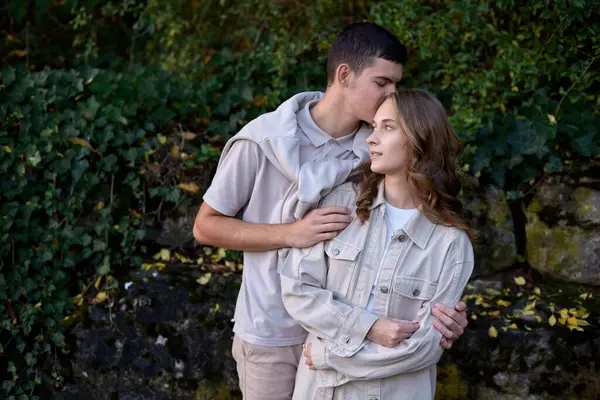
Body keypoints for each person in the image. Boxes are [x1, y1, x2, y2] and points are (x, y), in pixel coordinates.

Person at [193, 23, 469, 400]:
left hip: (344, 333)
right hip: (271, 330)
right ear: (344, 75)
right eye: (382, 83)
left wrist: (443, 316)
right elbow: (205, 227)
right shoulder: (263, 140)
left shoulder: (374, 152)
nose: (392, 94)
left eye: (396, 86)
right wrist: (290, 233)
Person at [280, 88, 475, 400]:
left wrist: (332, 356)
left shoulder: (451, 243)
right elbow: (298, 290)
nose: (371, 138)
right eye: (373, 127)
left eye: (388, 127)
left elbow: (423, 348)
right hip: (321, 392)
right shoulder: (340, 205)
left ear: (420, 139)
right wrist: (368, 326)